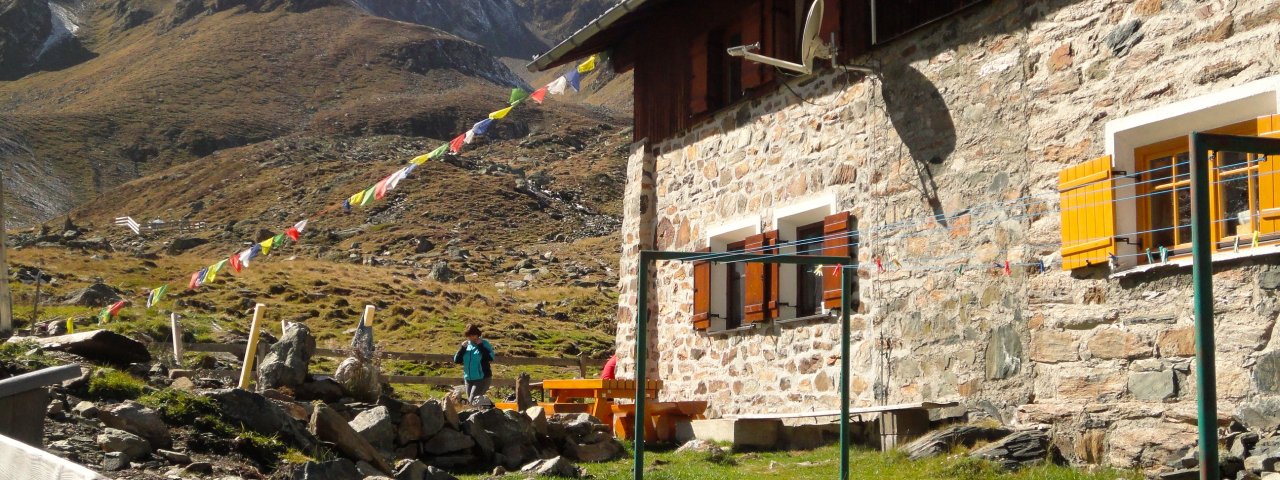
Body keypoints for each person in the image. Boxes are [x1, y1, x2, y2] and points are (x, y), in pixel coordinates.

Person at [453, 324, 494, 402]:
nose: (471, 337)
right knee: (472, 402)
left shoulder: (484, 344)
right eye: (469, 336)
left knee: (473, 401)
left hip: (482, 378)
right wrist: (462, 349)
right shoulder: (466, 345)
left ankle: (490, 409)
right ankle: (490, 409)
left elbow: (490, 358)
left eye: (473, 335)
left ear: (477, 334)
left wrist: (481, 346)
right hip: (468, 379)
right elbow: (457, 360)